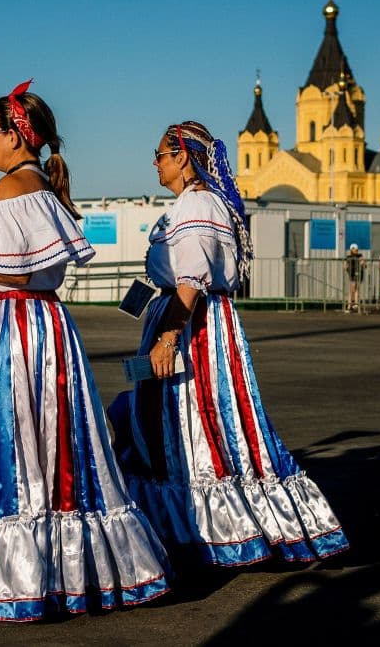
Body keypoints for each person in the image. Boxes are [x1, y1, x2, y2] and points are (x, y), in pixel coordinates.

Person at [0, 80, 170, 624]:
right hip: (40, 326)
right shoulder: (35, 186)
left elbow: (19, 270)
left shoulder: (16, 188)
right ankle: (66, 570)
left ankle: (14, 575)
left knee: (9, 441)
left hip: (14, 325)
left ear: (17, 136)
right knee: (54, 445)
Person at [108, 121, 349, 569]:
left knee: (194, 425)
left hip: (192, 329)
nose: (155, 163)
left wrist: (167, 338)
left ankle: (215, 530)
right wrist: (143, 309)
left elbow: (191, 281)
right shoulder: (192, 204)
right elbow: (171, 278)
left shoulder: (198, 203)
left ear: (182, 157)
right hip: (184, 318)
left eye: (160, 154)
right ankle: (187, 525)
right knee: (167, 422)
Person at [344, 243, 366, 312]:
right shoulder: (348, 257)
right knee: (352, 290)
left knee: (355, 289)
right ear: (351, 249)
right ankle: (350, 305)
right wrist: (346, 268)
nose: (356, 250)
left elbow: (363, 263)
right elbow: (344, 266)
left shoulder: (360, 255)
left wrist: (362, 263)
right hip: (352, 274)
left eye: (356, 249)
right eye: (354, 248)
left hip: (358, 274)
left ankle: (354, 304)